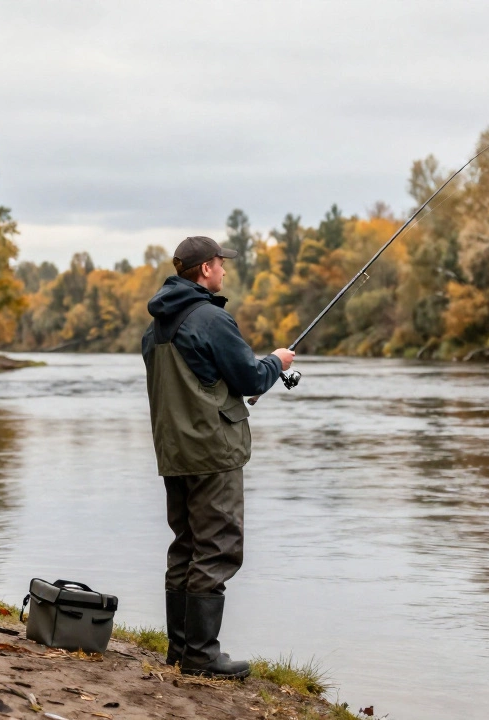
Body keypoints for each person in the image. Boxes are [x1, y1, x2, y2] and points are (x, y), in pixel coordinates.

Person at [141, 235, 295, 679]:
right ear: (205, 268)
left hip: (175, 452)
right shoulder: (211, 318)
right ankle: (201, 656)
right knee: (216, 548)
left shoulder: (155, 329)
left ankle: (180, 650)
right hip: (213, 451)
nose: (224, 269)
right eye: (220, 263)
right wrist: (277, 361)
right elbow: (249, 378)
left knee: (185, 546)